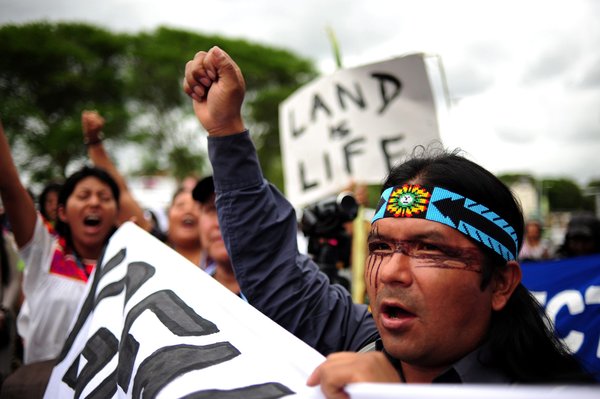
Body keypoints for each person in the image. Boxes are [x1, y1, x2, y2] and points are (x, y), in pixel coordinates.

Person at [183, 46, 595, 395]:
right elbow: (273, 272)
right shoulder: (359, 341)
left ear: (502, 283)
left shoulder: (553, 391)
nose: (393, 274)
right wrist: (226, 130)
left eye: (429, 248)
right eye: (381, 246)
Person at [0, 117, 120, 364]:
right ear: (62, 212)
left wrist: (96, 143)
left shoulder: (126, 265)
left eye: (104, 197)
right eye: (84, 195)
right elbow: (10, 188)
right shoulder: (43, 251)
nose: (94, 203)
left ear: (116, 213)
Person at [192, 176, 243, 296]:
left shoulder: (288, 298)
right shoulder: (189, 293)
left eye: (233, 209)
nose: (220, 223)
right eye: (211, 209)